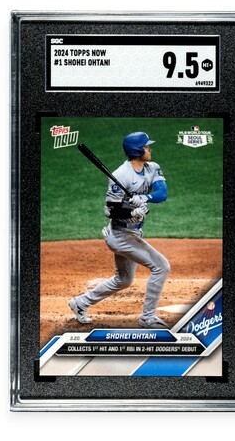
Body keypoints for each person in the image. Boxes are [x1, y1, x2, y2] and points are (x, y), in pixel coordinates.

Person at [69, 132, 170, 329]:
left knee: (123, 280)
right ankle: (148, 318)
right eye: (146, 146)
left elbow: (162, 193)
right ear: (137, 150)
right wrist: (132, 212)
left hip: (133, 234)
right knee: (161, 266)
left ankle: (80, 303)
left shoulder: (152, 167)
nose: (149, 149)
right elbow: (111, 210)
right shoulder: (121, 175)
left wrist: (145, 198)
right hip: (120, 236)